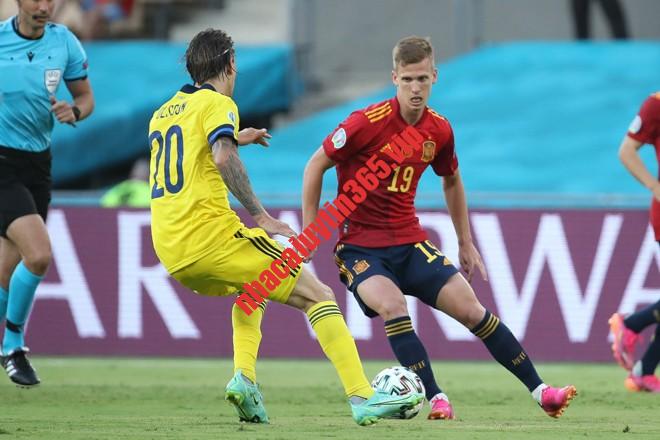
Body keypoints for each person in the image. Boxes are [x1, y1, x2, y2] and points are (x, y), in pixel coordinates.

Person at [148, 28, 423, 426]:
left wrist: (238, 137)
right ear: (230, 64)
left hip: (172, 249)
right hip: (212, 239)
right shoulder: (219, 103)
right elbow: (221, 158)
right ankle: (362, 396)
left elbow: (194, 149)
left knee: (251, 292)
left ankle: (244, 380)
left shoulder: (164, 112)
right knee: (319, 294)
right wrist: (260, 215)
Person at [302, 36, 577, 420]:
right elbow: (315, 165)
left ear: (435, 76)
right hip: (360, 249)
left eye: (423, 80)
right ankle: (435, 398)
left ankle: (542, 391)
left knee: (473, 311)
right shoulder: (365, 123)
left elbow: (451, 180)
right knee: (394, 306)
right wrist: (310, 229)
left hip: (410, 242)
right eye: (408, 80)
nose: (416, 89)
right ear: (394, 77)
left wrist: (465, 241)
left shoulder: (439, 130)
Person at [0, 0, 94, 387]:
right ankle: (15, 346)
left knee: (7, 273)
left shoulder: (65, 43)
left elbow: (86, 98)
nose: (44, 6)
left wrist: (76, 112)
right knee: (38, 255)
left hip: (39, 165)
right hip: (2, 163)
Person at [608, 91, 660, 393]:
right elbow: (627, 150)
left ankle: (643, 370)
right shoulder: (656, 104)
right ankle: (632, 325)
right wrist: (654, 186)